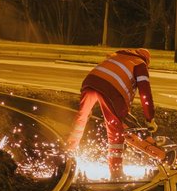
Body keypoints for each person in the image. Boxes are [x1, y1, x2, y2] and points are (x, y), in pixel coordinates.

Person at [66, 48, 157, 180]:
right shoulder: (140, 64)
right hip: (111, 89)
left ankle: (67, 155)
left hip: (90, 82)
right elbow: (145, 94)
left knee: (81, 118)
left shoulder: (116, 57)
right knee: (115, 131)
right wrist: (150, 118)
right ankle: (116, 173)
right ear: (147, 60)